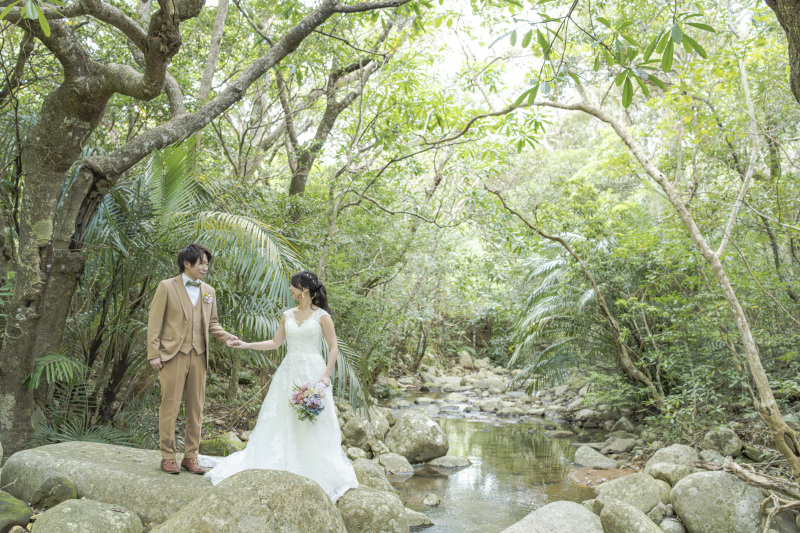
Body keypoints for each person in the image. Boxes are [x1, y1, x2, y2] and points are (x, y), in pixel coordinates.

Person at [201, 270, 358, 502]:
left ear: (303, 289)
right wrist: (246, 345)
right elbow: (275, 343)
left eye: (292, 286)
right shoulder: (287, 315)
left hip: (313, 373)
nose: (290, 290)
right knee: (282, 417)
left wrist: (326, 374)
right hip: (289, 371)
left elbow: (333, 347)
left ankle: (314, 469)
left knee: (313, 420)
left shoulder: (323, 316)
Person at [147, 244, 238, 474]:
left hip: (199, 355)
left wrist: (226, 338)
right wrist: (153, 354)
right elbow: (154, 322)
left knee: (196, 408)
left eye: (207, 263)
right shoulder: (167, 286)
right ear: (187, 263)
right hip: (173, 354)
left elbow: (213, 323)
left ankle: (191, 457)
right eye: (201, 263)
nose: (205, 267)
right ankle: (168, 456)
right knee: (170, 407)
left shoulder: (209, 291)